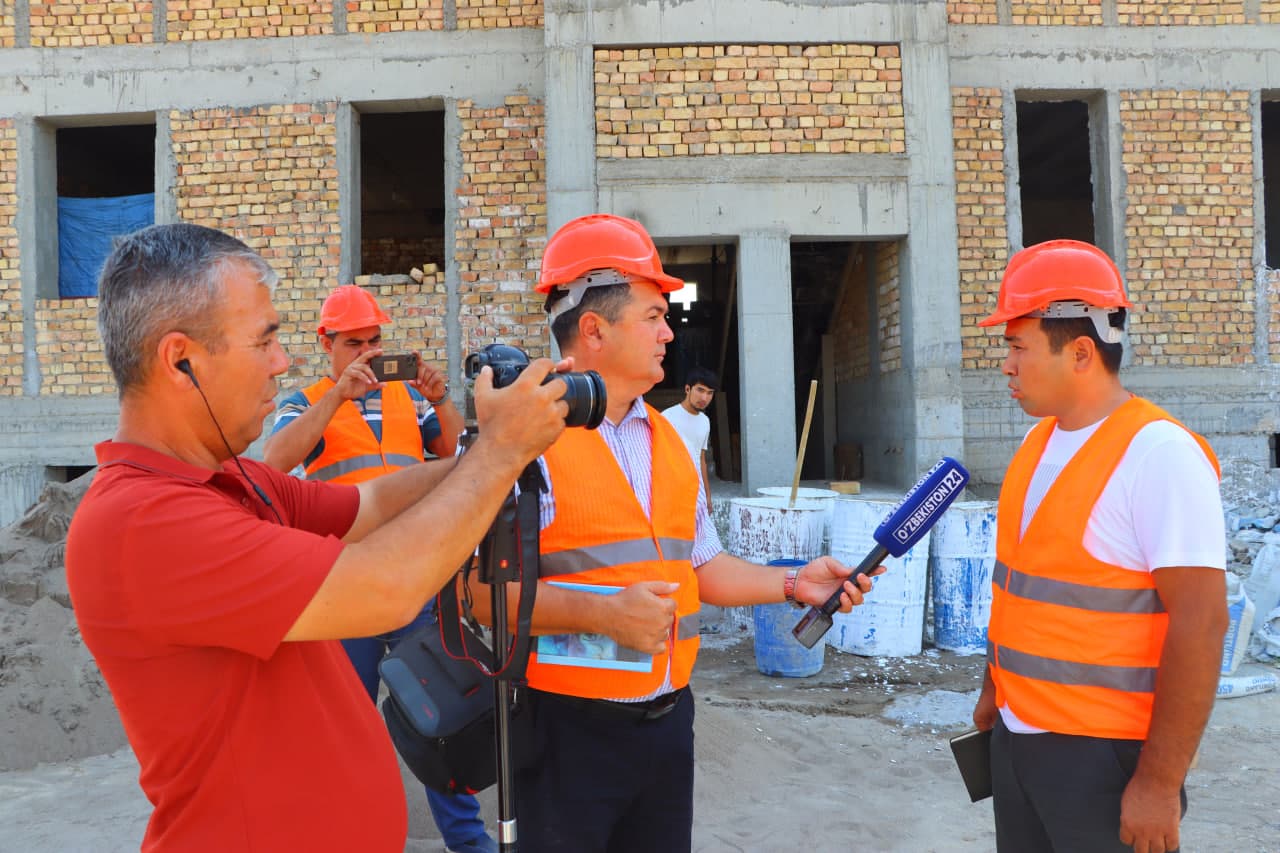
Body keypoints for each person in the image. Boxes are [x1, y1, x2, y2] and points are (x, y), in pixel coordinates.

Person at [64, 223, 569, 852]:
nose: (281, 362)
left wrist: (484, 447)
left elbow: (371, 504)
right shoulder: (143, 521)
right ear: (180, 360)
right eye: (264, 340)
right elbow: (386, 588)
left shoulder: (232, 481)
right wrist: (500, 454)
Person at [471, 214, 882, 853]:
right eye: (654, 316)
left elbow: (704, 568)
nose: (670, 332)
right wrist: (604, 616)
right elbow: (479, 598)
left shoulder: (669, 441)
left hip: (666, 727)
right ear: (594, 329)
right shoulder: (526, 440)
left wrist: (795, 583)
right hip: (564, 732)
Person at [972, 239, 1228, 853]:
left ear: (1081, 352)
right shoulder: (1037, 445)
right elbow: (1021, 585)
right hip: (1018, 739)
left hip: (1105, 759)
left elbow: (1202, 624)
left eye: (1018, 346)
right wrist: (992, 689)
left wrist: (1160, 783)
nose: (1006, 365)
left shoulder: (1159, 455)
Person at [262, 286, 491, 853]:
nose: (367, 352)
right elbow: (275, 462)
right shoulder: (304, 402)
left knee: (441, 715)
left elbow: (457, 455)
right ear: (327, 344)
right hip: (346, 588)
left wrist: (440, 399)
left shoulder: (407, 399)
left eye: (374, 341)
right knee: (344, 727)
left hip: (416, 580)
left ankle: (468, 841)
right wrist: (337, 398)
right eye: (354, 343)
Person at [660, 366, 718, 509]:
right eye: (700, 390)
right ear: (687, 389)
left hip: (696, 492)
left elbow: (701, 459)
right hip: (671, 492)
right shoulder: (667, 417)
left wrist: (707, 495)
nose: (704, 398)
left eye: (710, 393)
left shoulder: (705, 421)